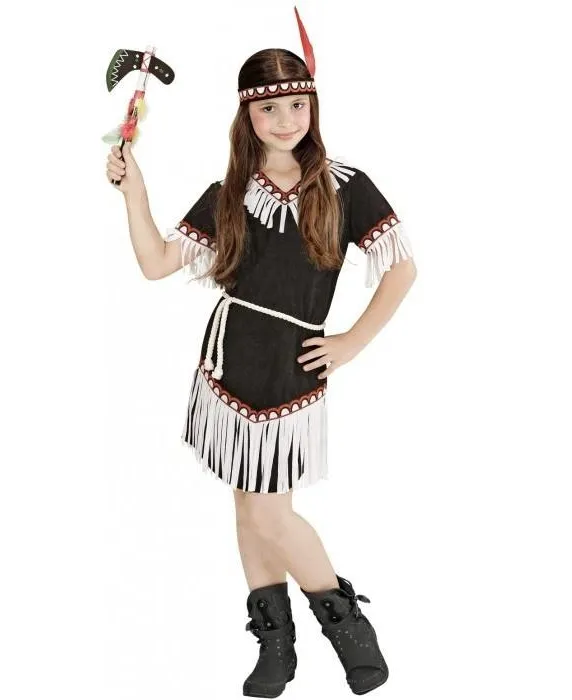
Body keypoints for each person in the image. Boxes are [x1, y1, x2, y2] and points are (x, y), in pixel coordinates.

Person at [106, 20, 415, 697]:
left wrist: (351, 342)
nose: (285, 120)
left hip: (292, 366)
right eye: (269, 108)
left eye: (297, 104)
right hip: (229, 364)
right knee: (249, 512)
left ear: (313, 106)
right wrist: (134, 193)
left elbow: (401, 270)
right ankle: (276, 644)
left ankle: (349, 629)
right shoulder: (231, 193)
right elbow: (157, 263)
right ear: (247, 116)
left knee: (273, 513)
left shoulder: (344, 186)